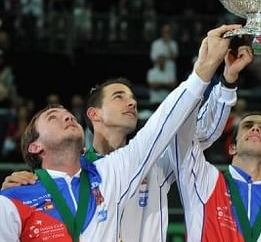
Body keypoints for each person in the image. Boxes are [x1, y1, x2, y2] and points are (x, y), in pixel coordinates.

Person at [0, 24, 244, 241]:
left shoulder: (151, 163)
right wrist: (30, 183)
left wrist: (225, 82)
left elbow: (196, 133)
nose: (132, 103)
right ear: (93, 114)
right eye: (119, 97)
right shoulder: (83, 172)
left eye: (133, 98)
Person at [170, 27, 261, 240]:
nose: (255, 128)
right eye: (248, 126)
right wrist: (222, 76)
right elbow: (181, 132)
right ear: (232, 147)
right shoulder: (206, 181)